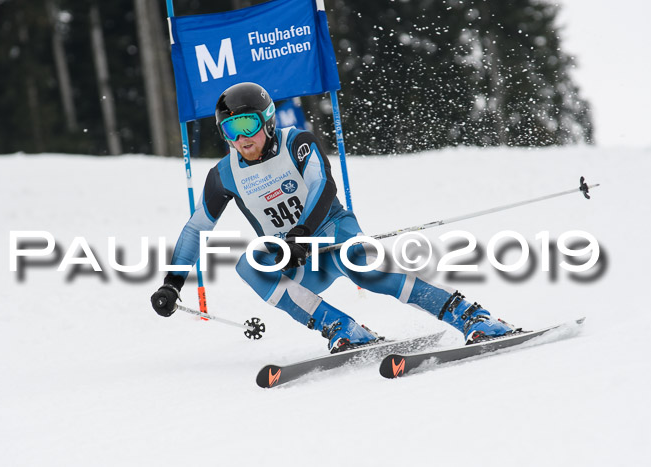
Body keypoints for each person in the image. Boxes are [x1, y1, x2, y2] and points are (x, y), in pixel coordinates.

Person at [151, 82, 515, 353]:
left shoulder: (299, 143)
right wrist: (172, 282)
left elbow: (323, 187)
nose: (242, 138)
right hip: (293, 255)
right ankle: (342, 328)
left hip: (331, 231)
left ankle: (470, 316)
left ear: (267, 121)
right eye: (232, 130)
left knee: (364, 269)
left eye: (248, 125)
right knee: (249, 264)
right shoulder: (223, 174)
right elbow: (197, 228)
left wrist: (303, 232)